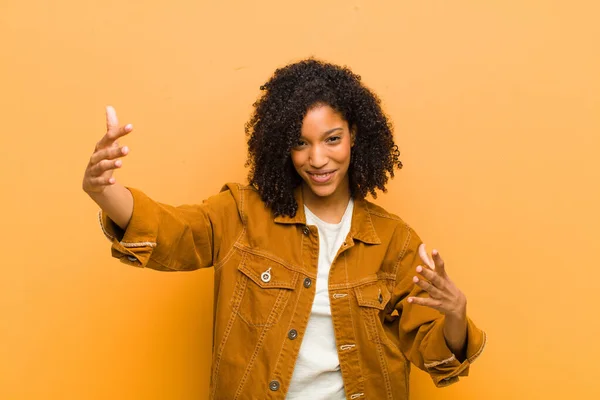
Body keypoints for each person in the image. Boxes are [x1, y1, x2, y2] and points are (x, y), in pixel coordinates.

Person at [82, 59, 486, 400]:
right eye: (301, 143)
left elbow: (433, 351)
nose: (318, 158)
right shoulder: (242, 214)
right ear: (281, 145)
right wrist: (104, 191)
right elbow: (172, 231)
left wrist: (455, 315)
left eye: (332, 139)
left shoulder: (394, 242)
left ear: (355, 136)